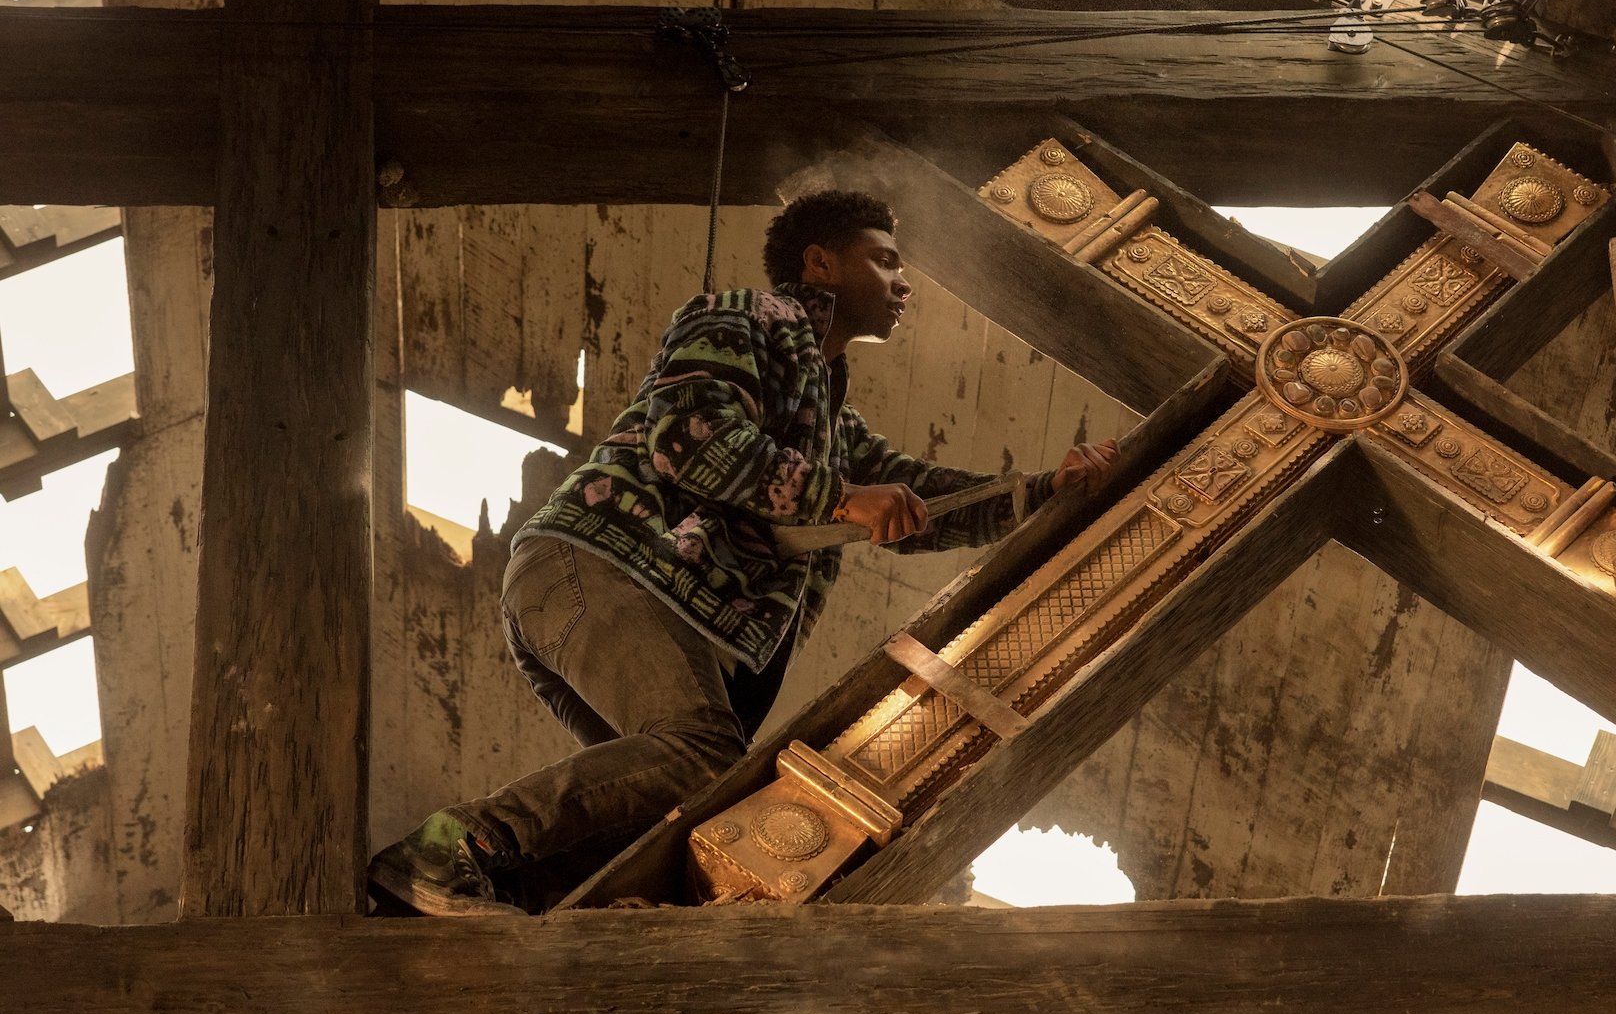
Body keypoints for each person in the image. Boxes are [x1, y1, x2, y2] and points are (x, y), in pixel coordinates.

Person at [368, 190, 1118, 914]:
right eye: (885, 260)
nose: (903, 282)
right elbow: (690, 435)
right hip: (598, 564)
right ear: (820, 263)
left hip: (613, 594)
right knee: (701, 751)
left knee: (678, 798)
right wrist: (836, 497)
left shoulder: (829, 420)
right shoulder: (741, 318)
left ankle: (474, 896)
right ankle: (449, 847)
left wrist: (1048, 489)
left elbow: (922, 496)